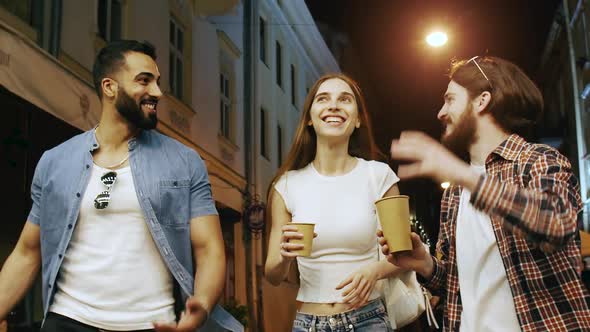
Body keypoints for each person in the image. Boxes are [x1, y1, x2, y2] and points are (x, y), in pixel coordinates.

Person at [0, 40, 242, 332]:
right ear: (109, 87)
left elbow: (210, 250)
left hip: (152, 324)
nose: (157, 92)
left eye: (158, 82)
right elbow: (28, 252)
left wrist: (200, 307)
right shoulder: (55, 162)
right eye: (144, 81)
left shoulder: (184, 161)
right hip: (68, 321)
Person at [379, 56, 590, 331]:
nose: (441, 112)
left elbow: (556, 224)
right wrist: (426, 264)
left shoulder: (537, 160)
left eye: (450, 99)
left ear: (482, 101)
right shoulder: (454, 193)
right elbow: (456, 283)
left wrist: (463, 175)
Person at [264, 73, 404, 331]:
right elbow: (273, 275)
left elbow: (403, 255)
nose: (334, 105)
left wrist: (375, 271)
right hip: (308, 323)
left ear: (358, 119)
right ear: (309, 118)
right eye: (323, 99)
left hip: (368, 320)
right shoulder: (286, 185)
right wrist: (284, 256)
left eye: (345, 99)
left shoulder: (379, 176)